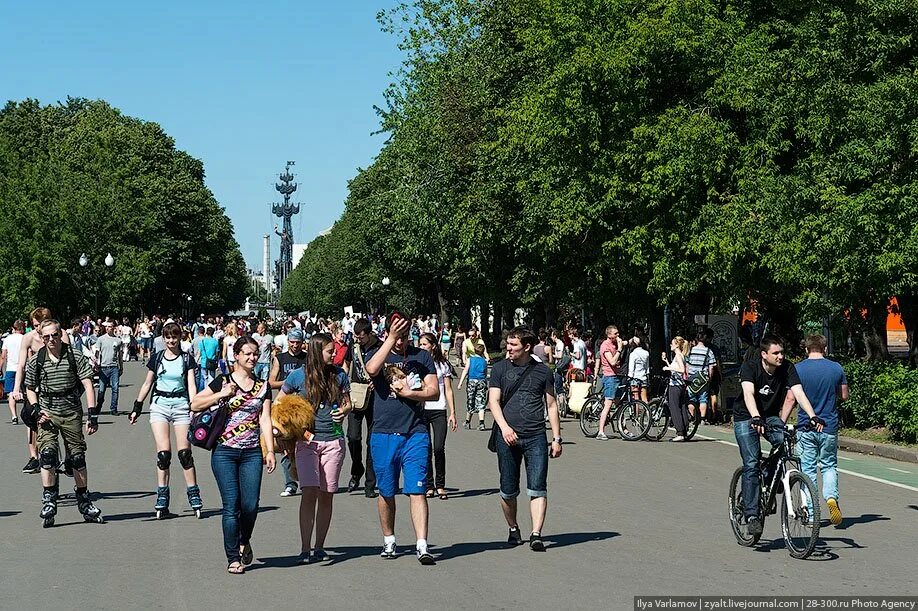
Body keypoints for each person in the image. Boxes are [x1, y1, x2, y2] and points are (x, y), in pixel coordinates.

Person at [190, 336, 275, 574]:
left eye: (255, 353)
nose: (252, 358)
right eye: (247, 353)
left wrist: (269, 450)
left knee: (250, 505)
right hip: (224, 451)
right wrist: (221, 395)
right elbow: (195, 404)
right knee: (231, 505)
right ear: (236, 355)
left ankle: (243, 540)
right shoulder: (223, 381)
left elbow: (265, 419)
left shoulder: (263, 386)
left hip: (251, 453)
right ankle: (233, 558)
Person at [364, 313, 439, 564]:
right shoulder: (379, 354)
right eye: (398, 336)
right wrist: (391, 339)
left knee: (417, 490)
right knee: (386, 491)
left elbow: (433, 390)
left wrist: (410, 392)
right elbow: (371, 369)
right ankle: (389, 540)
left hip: (415, 432)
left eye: (405, 336)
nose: (401, 342)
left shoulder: (422, 356)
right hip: (383, 433)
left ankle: (422, 544)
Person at [736, 335, 823, 536]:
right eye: (776, 353)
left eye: (782, 352)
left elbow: (799, 393)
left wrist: (813, 416)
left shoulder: (787, 368)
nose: (781, 356)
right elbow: (748, 394)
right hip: (746, 417)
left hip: (770, 417)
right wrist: (755, 417)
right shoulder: (750, 367)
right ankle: (751, 515)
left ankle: (768, 480)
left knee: (785, 445)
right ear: (764, 355)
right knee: (751, 463)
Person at [277, 333, 351, 563]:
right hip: (306, 442)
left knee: (327, 494)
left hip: (333, 441)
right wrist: (285, 426)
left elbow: (348, 402)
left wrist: (345, 410)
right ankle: (304, 548)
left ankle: (320, 546)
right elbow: (279, 402)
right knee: (309, 492)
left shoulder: (339, 375)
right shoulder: (298, 376)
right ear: (318, 352)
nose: (334, 354)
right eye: (330, 351)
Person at [488, 327, 562, 551]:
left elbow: (551, 405)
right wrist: (505, 428)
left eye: (513, 345)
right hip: (507, 437)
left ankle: (536, 533)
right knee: (508, 489)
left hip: (536, 436)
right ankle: (513, 527)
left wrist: (556, 437)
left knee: (538, 487)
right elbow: (493, 401)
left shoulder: (543, 371)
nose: (508, 349)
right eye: (507, 344)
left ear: (527, 347)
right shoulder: (500, 368)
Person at [24, 319, 102, 526]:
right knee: (47, 455)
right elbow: (30, 388)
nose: (51, 339)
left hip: (71, 412)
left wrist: (92, 414)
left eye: (54, 335)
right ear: (41, 338)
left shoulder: (74, 355)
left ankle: (84, 500)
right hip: (47, 413)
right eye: (46, 336)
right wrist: (35, 409)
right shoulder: (36, 360)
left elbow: (87, 382)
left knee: (77, 457)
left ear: (61, 335)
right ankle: (49, 499)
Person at [129, 322, 203, 519]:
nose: (171, 341)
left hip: (180, 406)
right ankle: (162, 494)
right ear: (163, 338)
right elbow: (147, 383)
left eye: (175, 337)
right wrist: (137, 407)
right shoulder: (157, 358)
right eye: (168, 337)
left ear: (180, 338)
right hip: (160, 405)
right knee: (164, 454)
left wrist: (194, 408)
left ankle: (193, 492)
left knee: (185, 454)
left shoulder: (187, 359)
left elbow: (191, 385)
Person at [794, 334, 848, 526]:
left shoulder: (797, 369)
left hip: (805, 425)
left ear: (806, 348)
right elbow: (844, 395)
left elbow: (791, 398)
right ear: (825, 348)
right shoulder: (836, 368)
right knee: (829, 465)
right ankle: (832, 499)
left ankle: (810, 512)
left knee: (807, 468)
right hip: (829, 425)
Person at [268, 328, 308, 497]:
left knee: (306, 444)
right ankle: (290, 483)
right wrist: (289, 382)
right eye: (292, 342)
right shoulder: (280, 358)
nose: (295, 345)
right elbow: (271, 382)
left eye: (298, 342)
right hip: (285, 408)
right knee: (285, 446)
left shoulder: (307, 358)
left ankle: (308, 480)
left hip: (304, 409)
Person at [419, 333, 457, 499]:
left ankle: (440, 485)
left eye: (424, 344)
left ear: (433, 345)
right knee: (425, 448)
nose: (421, 347)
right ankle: (429, 485)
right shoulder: (417, 364)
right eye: (420, 344)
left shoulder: (442, 364)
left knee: (438, 448)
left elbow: (448, 389)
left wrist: (453, 412)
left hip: (438, 409)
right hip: (422, 410)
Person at [345, 318, 378, 497]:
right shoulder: (354, 346)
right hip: (356, 395)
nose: (358, 340)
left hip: (375, 398)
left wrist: (377, 381)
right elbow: (347, 364)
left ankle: (370, 485)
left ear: (370, 333)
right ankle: (357, 468)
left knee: (371, 442)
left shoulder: (380, 346)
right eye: (356, 337)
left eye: (362, 337)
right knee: (353, 437)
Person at [595, 325, 622, 441]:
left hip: (617, 375)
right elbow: (612, 361)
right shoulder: (605, 346)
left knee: (620, 404)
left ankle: (623, 429)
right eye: (615, 334)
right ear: (609, 334)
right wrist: (619, 349)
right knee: (608, 403)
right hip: (609, 376)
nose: (617, 335)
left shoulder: (614, 343)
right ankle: (601, 431)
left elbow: (626, 342)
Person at [662, 337, 690, 442]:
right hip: (680, 385)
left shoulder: (678, 355)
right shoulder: (679, 356)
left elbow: (681, 370)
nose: (670, 345)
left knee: (674, 408)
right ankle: (684, 431)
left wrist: (668, 368)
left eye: (672, 343)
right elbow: (676, 370)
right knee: (682, 407)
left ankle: (680, 433)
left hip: (675, 386)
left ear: (677, 345)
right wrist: (667, 362)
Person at [94, 321, 124, 416]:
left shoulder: (118, 340)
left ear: (114, 328)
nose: (108, 328)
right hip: (103, 367)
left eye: (110, 326)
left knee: (115, 388)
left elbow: (119, 355)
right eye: (107, 327)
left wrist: (121, 366)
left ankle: (113, 408)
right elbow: (97, 352)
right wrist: (96, 364)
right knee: (101, 389)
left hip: (114, 367)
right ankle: (99, 405)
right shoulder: (101, 339)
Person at [685, 331, 716, 424]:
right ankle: (702, 419)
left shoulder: (691, 350)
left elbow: (687, 365)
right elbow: (711, 367)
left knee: (691, 398)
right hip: (703, 378)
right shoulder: (708, 351)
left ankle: (692, 418)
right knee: (703, 398)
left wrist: (687, 376)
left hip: (691, 378)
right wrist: (709, 377)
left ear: (697, 339)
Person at [457, 343, 488, 430]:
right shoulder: (484, 361)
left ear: (474, 350)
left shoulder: (470, 359)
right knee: (481, 402)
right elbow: (485, 373)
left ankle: (467, 422)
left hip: (471, 381)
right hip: (481, 381)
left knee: (471, 400)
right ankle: (481, 423)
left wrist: (460, 383)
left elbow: (465, 371)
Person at [3, 320, 25, 424]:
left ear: (14, 327)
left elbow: (3, 356)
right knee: (27, 391)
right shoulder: (24, 338)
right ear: (22, 328)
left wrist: (0, 368)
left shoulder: (7, 339)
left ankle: (14, 416)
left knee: (11, 393)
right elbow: (29, 352)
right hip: (23, 367)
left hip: (11, 368)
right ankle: (29, 413)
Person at [627, 335, 650, 403]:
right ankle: (647, 412)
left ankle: (636, 413)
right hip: (643, 377)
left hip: (635, 378)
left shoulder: (633, 354)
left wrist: (629, 377)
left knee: (636, 398)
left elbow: (631, 368)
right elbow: (647, 367)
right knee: (644, 397)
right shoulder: (646, 353)